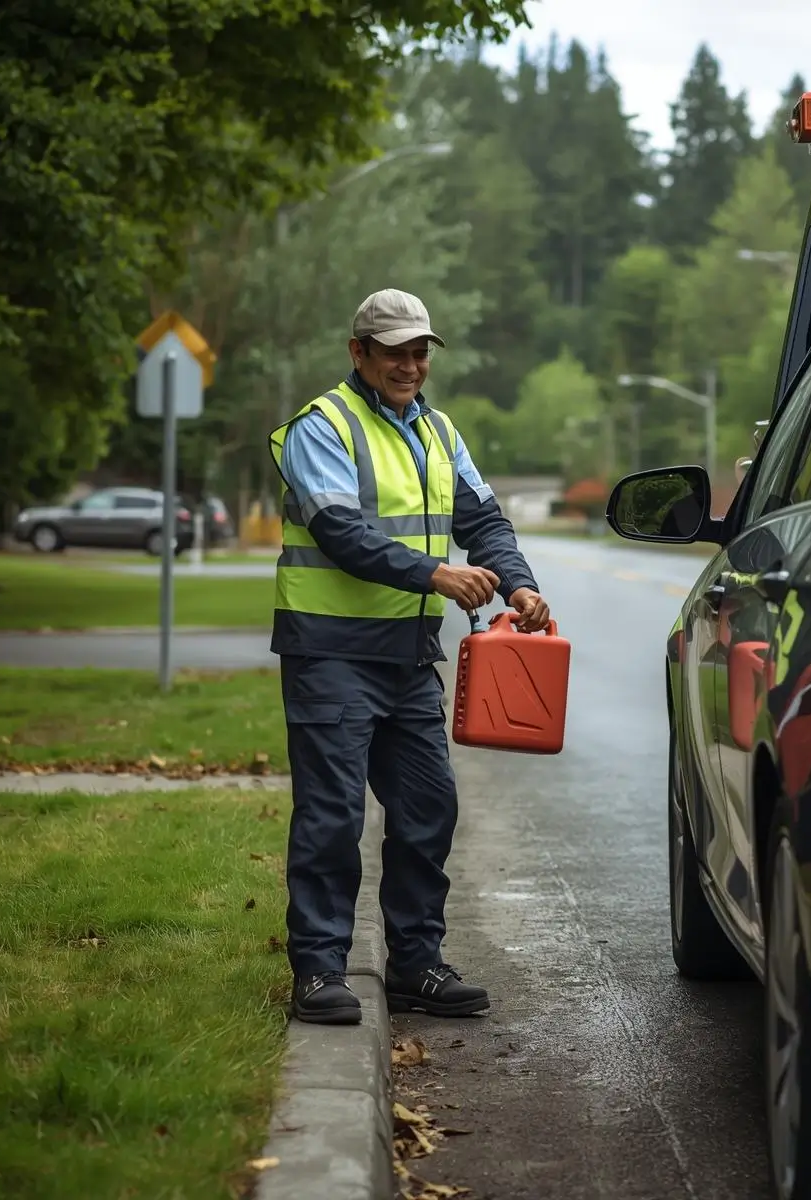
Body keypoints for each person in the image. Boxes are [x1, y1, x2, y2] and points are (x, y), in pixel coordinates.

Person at [268, 287, 551, 1026]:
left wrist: (518, 587)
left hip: (406, 657)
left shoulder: (436, 431)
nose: (410, 364)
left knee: (430, 807)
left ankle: (416, 965)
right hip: (329, 652)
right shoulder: (323, 426)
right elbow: (340, 532)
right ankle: (320, 970)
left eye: (420, 350)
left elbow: (483, 519)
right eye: (394, 350)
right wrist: (436, 574)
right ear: (358, 352)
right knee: (332, 817)